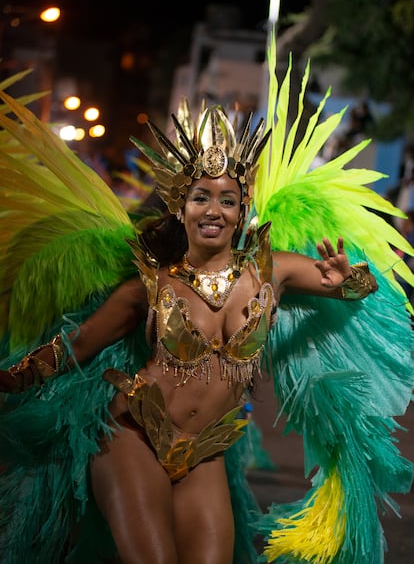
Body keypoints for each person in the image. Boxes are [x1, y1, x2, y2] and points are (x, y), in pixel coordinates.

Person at [0, 43, 413, 564]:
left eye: (227, 199)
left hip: (205, 452)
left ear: (243, 211)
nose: (213, 210)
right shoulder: (149, 287)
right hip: (132, 438)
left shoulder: (274, 270)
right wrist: (10, 377)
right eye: (201, 198)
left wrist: (351, 279)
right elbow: (77, 346)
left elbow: (353, 291)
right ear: (182, 208)